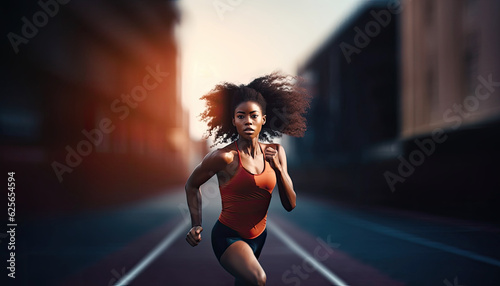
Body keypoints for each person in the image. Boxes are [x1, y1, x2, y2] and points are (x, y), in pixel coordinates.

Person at [184, 72, 310, 285]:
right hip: (228, 236)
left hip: (260, 238)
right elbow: (191, 185)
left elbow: (291, 204)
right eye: (241, 116)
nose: (248, 121)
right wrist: (196, 224)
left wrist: (278, 169)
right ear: (233, 120)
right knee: (257, 278)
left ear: (263, 119)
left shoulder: (277, 153)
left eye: (253, 115)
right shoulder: (224, 157)